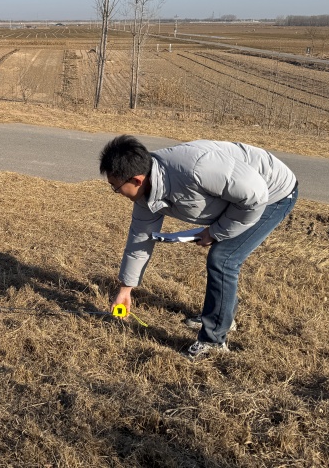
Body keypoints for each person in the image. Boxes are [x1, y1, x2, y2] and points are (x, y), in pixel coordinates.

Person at [99, 135, 298, 360]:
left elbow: (254, 195)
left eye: (116, 187)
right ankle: (222, 316)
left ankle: (213, 342)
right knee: (222, 258)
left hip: (272, 194)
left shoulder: (196, 168)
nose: (116, 192)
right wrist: (125, 290)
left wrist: (215, 232)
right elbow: (140, 237)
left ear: (136, 180)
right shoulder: (147, 190)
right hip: (240, 198)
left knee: (223, 259)